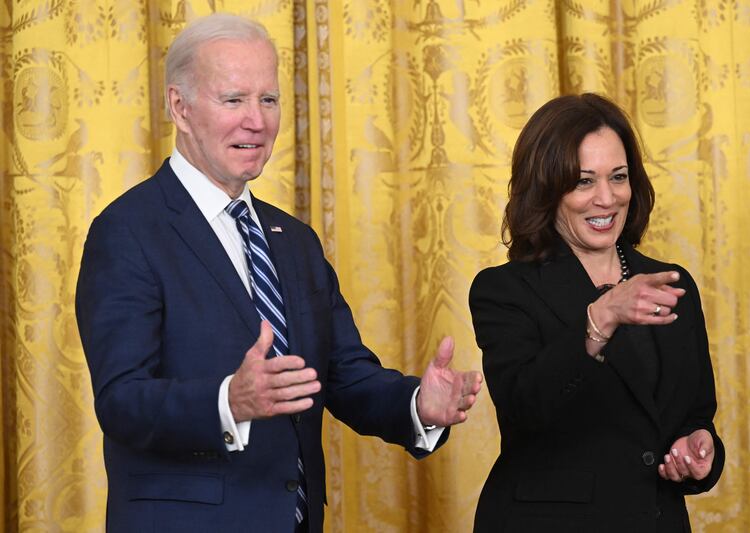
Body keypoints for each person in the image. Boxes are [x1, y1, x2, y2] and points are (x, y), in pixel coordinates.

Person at [75, 13, 482, 533]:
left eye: (268, 100)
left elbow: (342, 375)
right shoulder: (128, 230)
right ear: (179, 106)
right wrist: (229, 400)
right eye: (234, 100)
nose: (257, 121)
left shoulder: (295, 240)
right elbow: (122, 400)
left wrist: (418, 404)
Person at [469, 93, 724, 532]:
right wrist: (599, 319)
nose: (606, 199)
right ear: (546, 189)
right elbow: (524, 405)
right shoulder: (504, 289)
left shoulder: (670, 284)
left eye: (618, 177)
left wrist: (701, 453)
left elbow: (695, 414)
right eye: (583, 181)